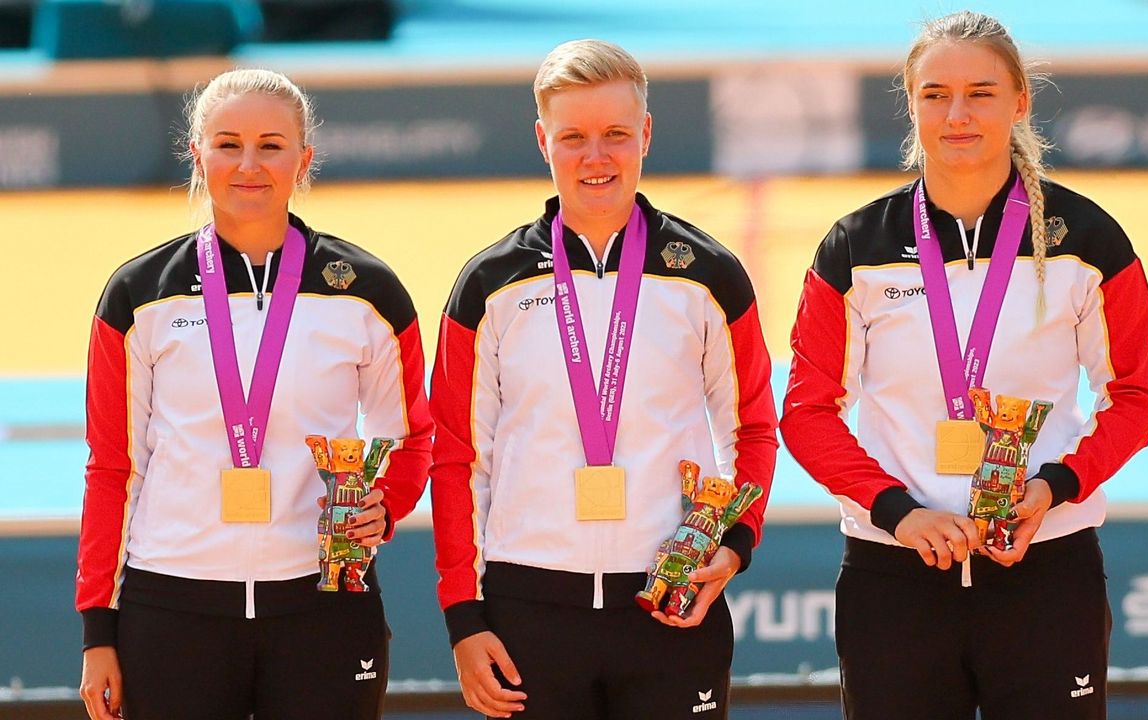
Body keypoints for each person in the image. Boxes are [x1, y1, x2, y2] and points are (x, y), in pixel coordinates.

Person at [779, 11, 1148, 720]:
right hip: (895, 576)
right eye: (934, 94)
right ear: (911, 101)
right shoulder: (856, 247)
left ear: (1020, 102)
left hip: (1046, 569)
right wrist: (898, 513)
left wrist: (1055, 488)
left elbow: (1134, 397)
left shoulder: (1087, 240)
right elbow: (806, 413)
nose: (957, 114)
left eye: (981, 92)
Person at [429, 39, 777, 720]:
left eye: (616, 134)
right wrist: (464, 619)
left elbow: (754, 429)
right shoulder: (488, 285)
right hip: (527, 613)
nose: (597, 157)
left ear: (645, 133)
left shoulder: (708, 274)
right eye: (574, 137)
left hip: (671, 604)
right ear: (542, 141)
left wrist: (734, 548)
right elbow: (457, 456)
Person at [76, 68, 433, 720]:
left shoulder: (367, 291)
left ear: (304, 159)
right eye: (227, 143)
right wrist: (98, 631)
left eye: (271, 144)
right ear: (197, 154)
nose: (249, 164)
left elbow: (409, 440)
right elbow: (111, 469)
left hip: (325, 605)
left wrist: (384, 506)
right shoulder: (138, 295)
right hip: (172, 607)